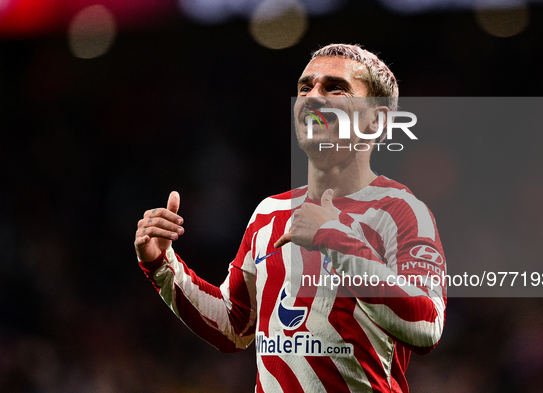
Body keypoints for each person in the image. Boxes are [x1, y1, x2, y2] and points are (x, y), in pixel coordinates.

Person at [135, 44, 446, 393]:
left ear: (377, 119)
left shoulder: (400, 211)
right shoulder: (270, 213)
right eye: (305, 87)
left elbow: (427, 325)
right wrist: (162, 265)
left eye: (334, 87)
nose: (312, 97)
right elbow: (235, 326)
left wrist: (334, 238)